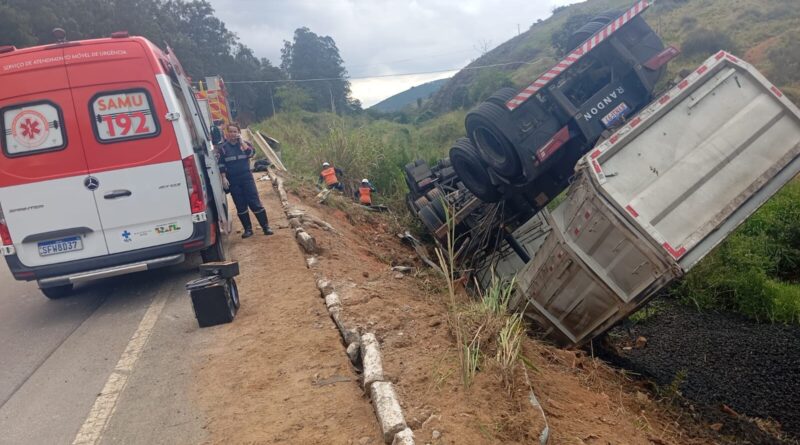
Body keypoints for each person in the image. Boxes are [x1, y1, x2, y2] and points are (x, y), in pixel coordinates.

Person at [218, 123, 273, 238]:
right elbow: (221, 164)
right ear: (227, 133)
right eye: (230, 132)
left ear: (238, 132)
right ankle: (248, 229)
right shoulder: (223, 148)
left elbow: (251, 153)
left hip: (246, 177)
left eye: (235, 132)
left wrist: (241, 142)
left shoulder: (245, 145)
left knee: (254, 202)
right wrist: (223, 177)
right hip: (233, 180)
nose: (233, 134)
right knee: (240, 204)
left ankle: (265, 227)